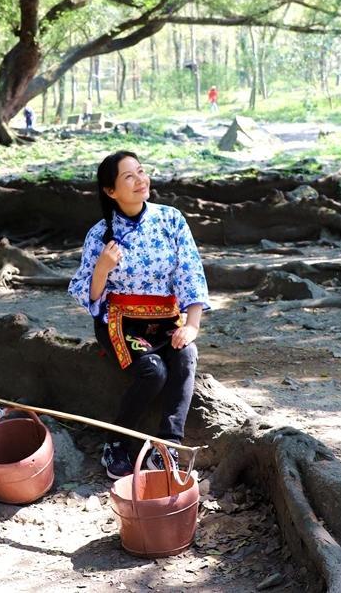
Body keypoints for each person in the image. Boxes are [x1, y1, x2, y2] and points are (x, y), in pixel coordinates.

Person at [69, 150, 210, 480]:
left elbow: (190, 271)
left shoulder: (171, 220)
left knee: (186, 355)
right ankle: (116, 443)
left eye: (142, 172)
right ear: (110, 191)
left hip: (166, 318)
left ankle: (167, 447)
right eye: (129, 176)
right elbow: (83, 292)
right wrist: (102, 268)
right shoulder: (100, 235)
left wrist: (191, 325)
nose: (140, 180)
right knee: (154, 372)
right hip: (120, 320)